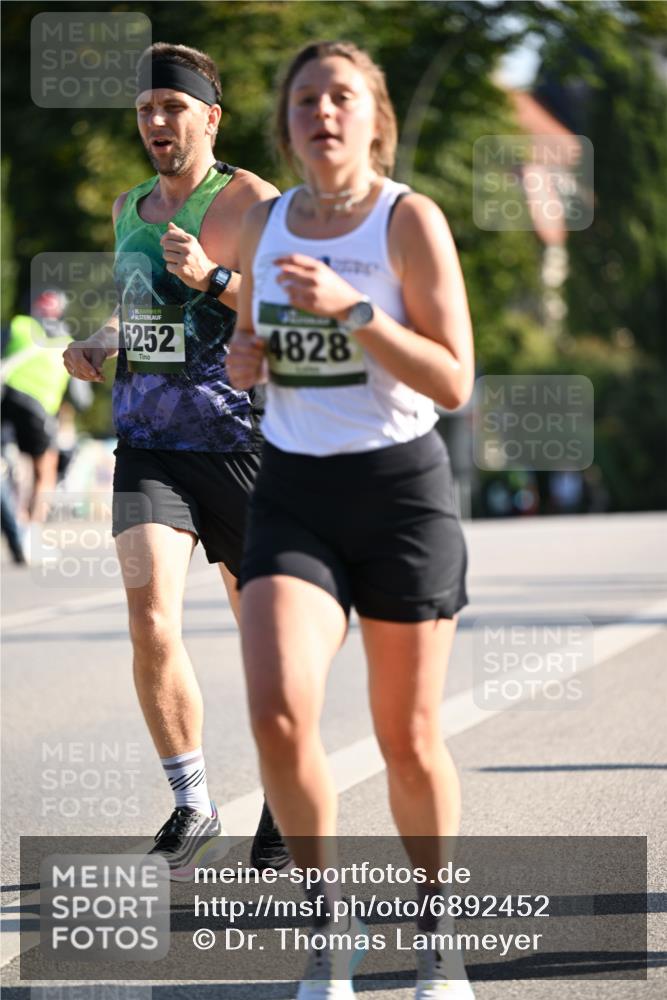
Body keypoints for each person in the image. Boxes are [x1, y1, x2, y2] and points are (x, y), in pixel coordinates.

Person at [227, 41, 475, 999]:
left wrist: (355, 308)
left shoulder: (408, 220)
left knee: (407, 738)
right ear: (287, 126)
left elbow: (452, 379)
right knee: (279, 713)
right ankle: (331, 929)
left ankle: (437, 935)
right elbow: (251, 342)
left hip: (400, 496)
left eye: (340, 98)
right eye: (303, 101)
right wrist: (247, 359)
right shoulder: (265, 221)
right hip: (294, 492)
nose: (321, 113)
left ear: (375, 119)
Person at [62, 42, 288, 878]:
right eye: (146, 110)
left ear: (209, 117)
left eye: (173, 108)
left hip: (243, 446)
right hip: (150, 443)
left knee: (268, 642)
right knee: (149, 615)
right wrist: (99, 340)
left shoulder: (253, 201)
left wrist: (217, 277)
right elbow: (138, 314)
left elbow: (299, 308)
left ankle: (286, 798)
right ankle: (194, 802)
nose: (158, 122)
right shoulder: (129, 207)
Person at [1, 289, 72, 526]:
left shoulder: (18, 325)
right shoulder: (66, 341)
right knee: (45, 468)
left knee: (10, 462)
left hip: (5, 400)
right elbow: (82, 396)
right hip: (39, 408)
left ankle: (15, 516)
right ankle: (32, 527)